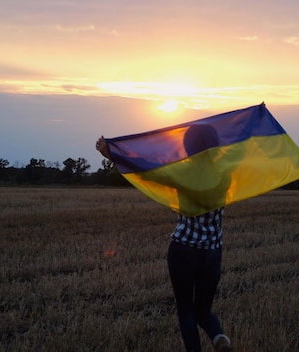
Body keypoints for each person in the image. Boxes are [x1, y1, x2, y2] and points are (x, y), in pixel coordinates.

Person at [96, 127, 232, 352]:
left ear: (189, 147)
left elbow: (148, 169)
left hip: (184, 248)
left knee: (186, 311)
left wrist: (112, 154)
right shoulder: (224, 173)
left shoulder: (182, 172)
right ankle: (218, 336)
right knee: (203, 310)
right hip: (212, 251)